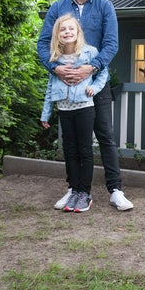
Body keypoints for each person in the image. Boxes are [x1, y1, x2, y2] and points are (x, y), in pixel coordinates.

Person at [37, 0, 134, 211]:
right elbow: (42, 44)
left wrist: (91, 68)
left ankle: (115, 190)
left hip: (95, 84)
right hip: (66, 85)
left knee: (105, 136)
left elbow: (111, 44)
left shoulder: (105, 7)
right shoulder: (57, 8)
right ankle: (74, 189)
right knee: (71, 141)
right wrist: (56, 69)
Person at [41, 14, 108, 212]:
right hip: (64, 110)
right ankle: (73, 190)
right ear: (57, 35)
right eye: (63, 30)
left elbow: (103, 72)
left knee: (84, 150)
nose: (67, 32)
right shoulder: (55, 59)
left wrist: (94, 88)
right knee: (70, 151)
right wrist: (46, 114)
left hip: (84, 108)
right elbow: (50, 88)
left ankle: (84, 194)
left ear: (78, 32)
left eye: (71, 29)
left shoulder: (89, 53)